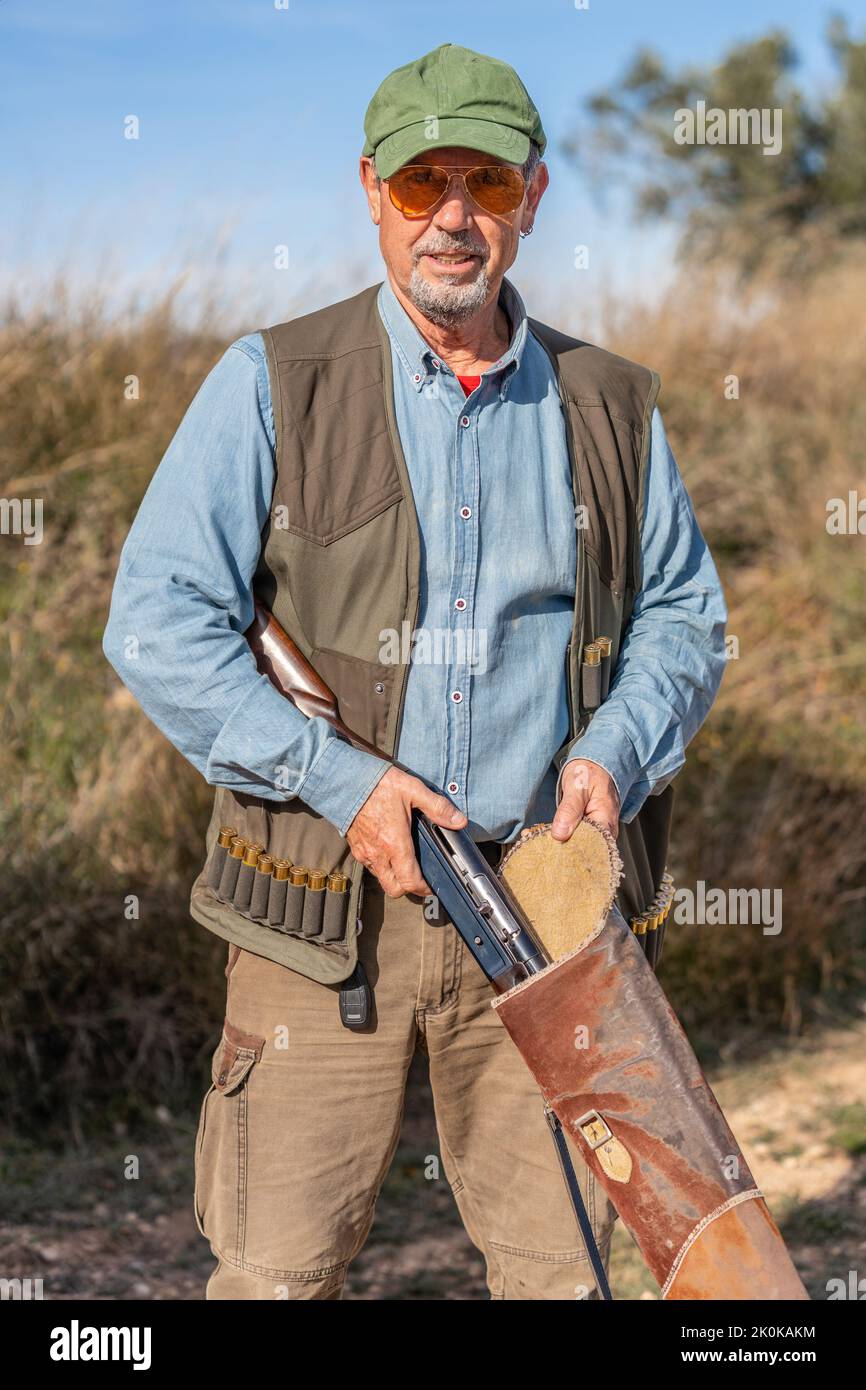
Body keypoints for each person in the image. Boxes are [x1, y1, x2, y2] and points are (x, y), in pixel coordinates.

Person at [103, 42, 727, 1300]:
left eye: (484, 182)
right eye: (418, 184)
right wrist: (337, 780)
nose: (451, 217)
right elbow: (157, 619)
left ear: (532, 197)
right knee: (277, 1277)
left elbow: (679, 618)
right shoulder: (269, 382)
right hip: (315, 917)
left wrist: (612, 750)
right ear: (370, 192)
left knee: (564, 1282)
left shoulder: (608, 405)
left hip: (544, 920)